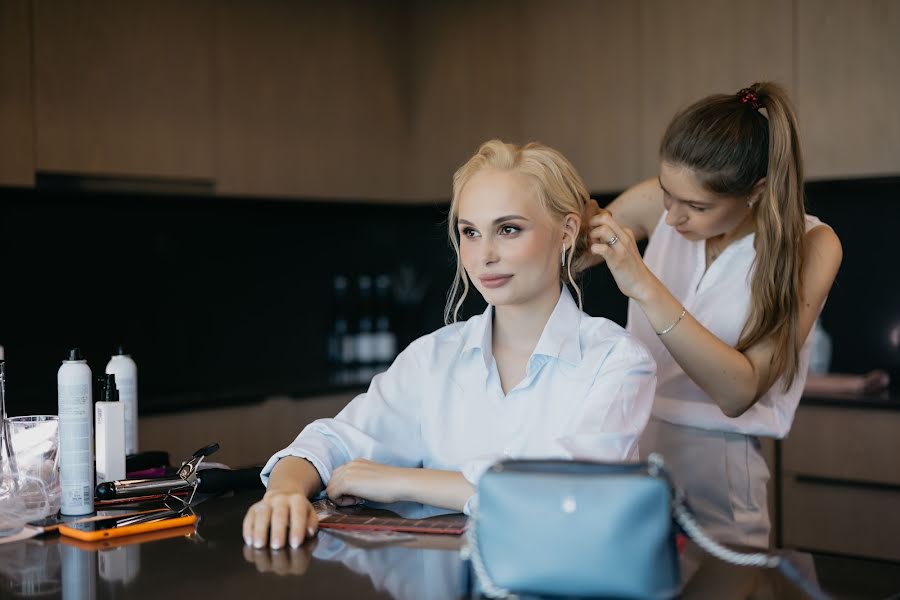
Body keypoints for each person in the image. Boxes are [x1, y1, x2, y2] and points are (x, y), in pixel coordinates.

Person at [243, 140, 657, 550]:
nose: (484, 255)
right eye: (470, 232)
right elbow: (333, 442)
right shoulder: (432, 357)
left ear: (566, 232)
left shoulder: (618, 361)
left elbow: (564, 492)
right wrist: (285, 493)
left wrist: (401, 480)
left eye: (508, 229)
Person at [585, 82, 842, 548]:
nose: (673, 217)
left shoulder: (811, 246)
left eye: (697, 206)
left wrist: (643, 284)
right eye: (667, 194)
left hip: (719, 466)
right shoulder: (659, 203)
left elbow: (738, 390)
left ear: (756, 192)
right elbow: (568, 255)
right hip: (628, 440)